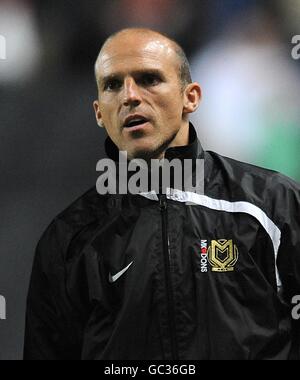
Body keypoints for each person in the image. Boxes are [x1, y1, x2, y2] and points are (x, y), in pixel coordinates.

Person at [24, 28, 300, 360]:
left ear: (191, 97)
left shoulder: (272, 205)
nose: (130, 96)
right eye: (113, 85)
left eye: (149, 79)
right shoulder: (68, 239)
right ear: (99, 112)